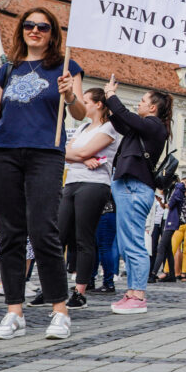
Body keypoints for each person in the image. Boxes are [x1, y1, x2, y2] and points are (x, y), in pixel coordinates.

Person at [0, 6, 84, 341]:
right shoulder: (9, 69)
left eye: (43, 27)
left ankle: (59, 310)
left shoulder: (66, 66)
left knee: (43, 229)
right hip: (4, 152)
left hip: (45, 153)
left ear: (52, 33)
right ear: (21, 30)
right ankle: (14, 311)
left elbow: (76, 113)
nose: (35, 31)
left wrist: (69, 95)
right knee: (10, 232)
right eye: (29, 26)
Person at [103, 75, 171, 314]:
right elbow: (121, 120)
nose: (139, 104)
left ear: (152, 107)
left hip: (135, 187)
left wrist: (112, 96)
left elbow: (126, 116)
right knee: (126, 243)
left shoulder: (155, 126)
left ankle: (139, 296)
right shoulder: (141, 127)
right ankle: (132, 292)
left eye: (142, 101)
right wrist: (107, 101)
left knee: (133, 243)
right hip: (127, 185)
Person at [58, 87, 120, 309]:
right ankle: (53, 289)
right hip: (73, 181)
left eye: (86, 101)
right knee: (59, 236)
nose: (82, 105)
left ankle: (79, 292)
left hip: (95, 185)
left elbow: (78, 152)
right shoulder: (83, 127)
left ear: (99, 104)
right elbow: (64, 151)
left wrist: (80, 156)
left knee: (84, 238)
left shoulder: (110, 127)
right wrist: (83, 159)